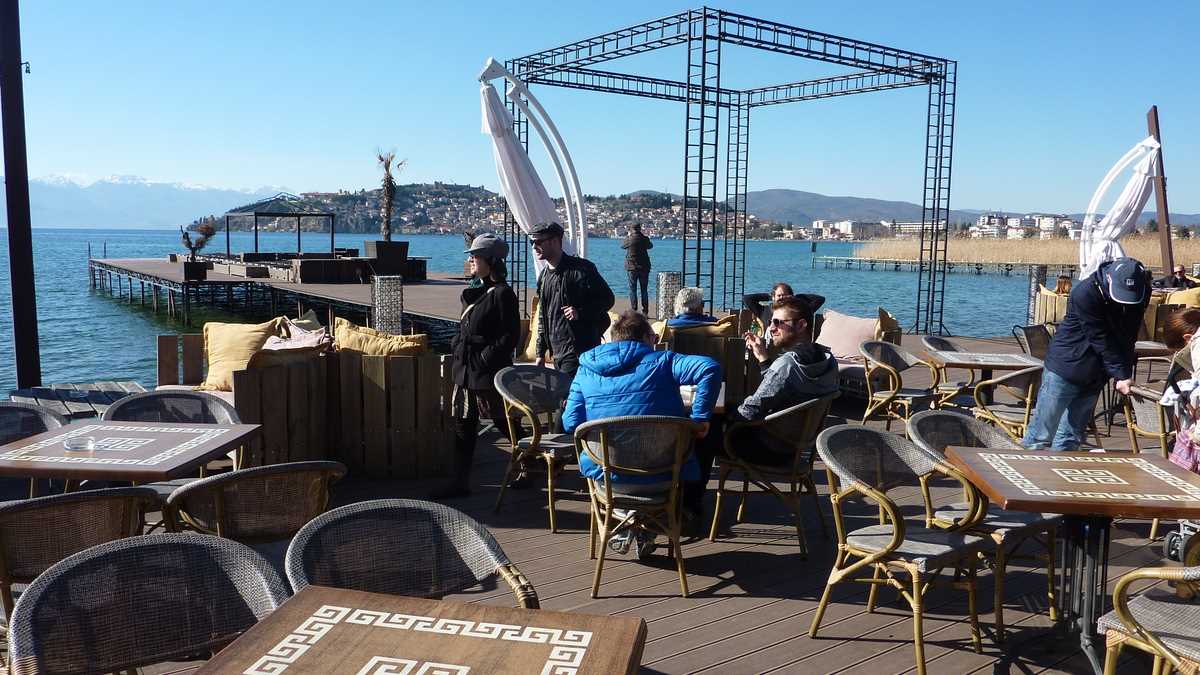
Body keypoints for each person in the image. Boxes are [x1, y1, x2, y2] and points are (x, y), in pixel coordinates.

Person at [563, 310, 721, 557]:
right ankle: (655, 520)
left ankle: (627, 519)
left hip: (608, 478)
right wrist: (700, 419)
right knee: (701, 440)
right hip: (663, 477)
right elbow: (709, 368)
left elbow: (571, 423)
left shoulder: (586, 369)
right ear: (648, 338)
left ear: (614, 338)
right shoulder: (664, 361)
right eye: (654, 338)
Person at [1022, 257, 1150, 451]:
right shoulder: (1085, 293)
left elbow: (1129, 334)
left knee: (1070, 437)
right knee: (1041, 435)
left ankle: (1061, 470)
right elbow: (1100, 337)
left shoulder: (1142, 291)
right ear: (1109, 278)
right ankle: (1026, 467)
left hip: (1097, 373)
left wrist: (1122, 373)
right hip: (1065, 366)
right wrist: (1121, 373)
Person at [433, 233, 520, 499]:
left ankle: (532, 462)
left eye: (476, 256)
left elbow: (510, 336)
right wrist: (458, 343)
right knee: (464, 426)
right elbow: (466, 326)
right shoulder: (476, 292)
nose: (471, 259)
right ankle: (459, 482)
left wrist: (483, 359)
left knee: (503, 422)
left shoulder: (503, 294)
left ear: (491, 261)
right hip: (466, 371)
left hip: (486, 373)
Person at [735, 295, 839, 464]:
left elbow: (749, 412)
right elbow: (782, 387)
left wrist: (720, 414)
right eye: (770, 322)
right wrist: (763, 357)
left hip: (769, 448)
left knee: (709, 429)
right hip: (797, 449)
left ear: (801, 325)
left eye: (778, 323)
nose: (771, 328)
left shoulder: (787, 365)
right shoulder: (828, 360)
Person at [530, 221, 615, 379]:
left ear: (555, 241)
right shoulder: (544, 276)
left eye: (538, 242)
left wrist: (580, 312)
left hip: (579, 352)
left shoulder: (582, 269)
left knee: (569, 393)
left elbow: (607, 299)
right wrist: (540, 353)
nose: (534, 247)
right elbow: (543, 316)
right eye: (532, 242)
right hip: (557, 354)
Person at [743, 283, 826, 344]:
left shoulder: (798, 312)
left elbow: (819, 299)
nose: (782, 298)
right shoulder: (764, 310)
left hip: (793, 347)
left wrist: (796, 298)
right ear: (773, 297)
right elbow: (747, 299)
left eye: (785, 295)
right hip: (771, 347)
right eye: (779, 295)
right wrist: (769, 296)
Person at [621, 223, 653, 314]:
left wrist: (628, 236)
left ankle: (634, 310)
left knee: (633, 289)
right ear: (640, 229)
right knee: (644, 290)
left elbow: (623, 246)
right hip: (644, 267)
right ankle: (645, 311)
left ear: (632, 229)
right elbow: (650, 246)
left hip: (632, 267)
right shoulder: (644, 239)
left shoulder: (629, 239)